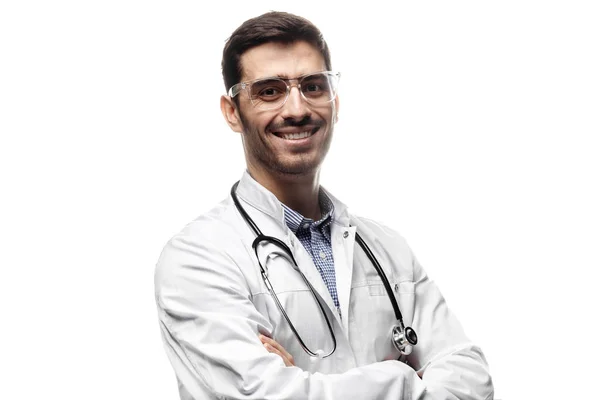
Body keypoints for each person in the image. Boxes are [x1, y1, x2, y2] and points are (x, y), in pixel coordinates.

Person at [154, 11, 494, 400]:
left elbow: (471, 378)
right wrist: (401, 376)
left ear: (334, 99)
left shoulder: (388, 248)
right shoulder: (197, 258)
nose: (297, 109)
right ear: (233, 112)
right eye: (269, 90)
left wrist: (307, 382)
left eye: (313, 86)